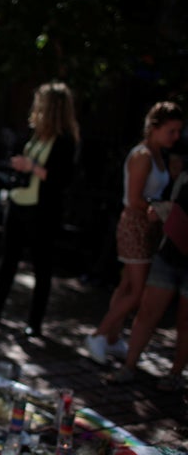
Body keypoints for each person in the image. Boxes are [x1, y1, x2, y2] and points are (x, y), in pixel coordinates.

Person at [0, 82, 80, 337]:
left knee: (42, 268)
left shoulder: (65, 141)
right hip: (18, 203)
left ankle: (34, 322)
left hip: (42, 211)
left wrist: (32, 167)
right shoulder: (36, 134)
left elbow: (62, 179)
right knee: (7, 263)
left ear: (52, 107)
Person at [85, 102, 183, 364]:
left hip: (149, 226)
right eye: (171, 131)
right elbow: (134, 199)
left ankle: (113, 339)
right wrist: (162, 209)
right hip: (135, 226)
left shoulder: (160, 155)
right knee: (137, 292)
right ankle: (99, 334)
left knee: (127, 285)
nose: (176, 137)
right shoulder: (142, 156)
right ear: (155, 128)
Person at [107, 155, 187, 390]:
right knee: (147, 311)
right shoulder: (183, 177)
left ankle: (175, 374)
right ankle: (129, 366)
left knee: (185, 321)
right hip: (170, 252)